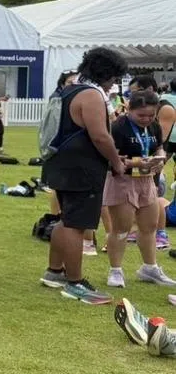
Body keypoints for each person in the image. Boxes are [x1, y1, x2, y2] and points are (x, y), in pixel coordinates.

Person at [40, 47, 129, 305]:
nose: (114, 85)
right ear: (107, 74)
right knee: (76, 225)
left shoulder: (68, 89)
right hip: (82, 168)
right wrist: (115, 161)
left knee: (65, 219)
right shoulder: (90, 95)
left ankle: (54, 271)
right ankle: (75, 282)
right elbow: (100, 135)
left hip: (61, 163)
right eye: (114, 79)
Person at [103, 90, 176, 288]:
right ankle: (116, 270)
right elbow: (111, 158)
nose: (146, 119)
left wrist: (159, 159)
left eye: (151, 115)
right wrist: (135, 163)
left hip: (146, 181)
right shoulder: (118, 128)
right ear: (129, 110)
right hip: (122, 181)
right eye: (141, 115)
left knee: (150, 226)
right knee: (121, 229)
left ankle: (149, 267)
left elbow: (159, 146)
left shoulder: (153, 126)